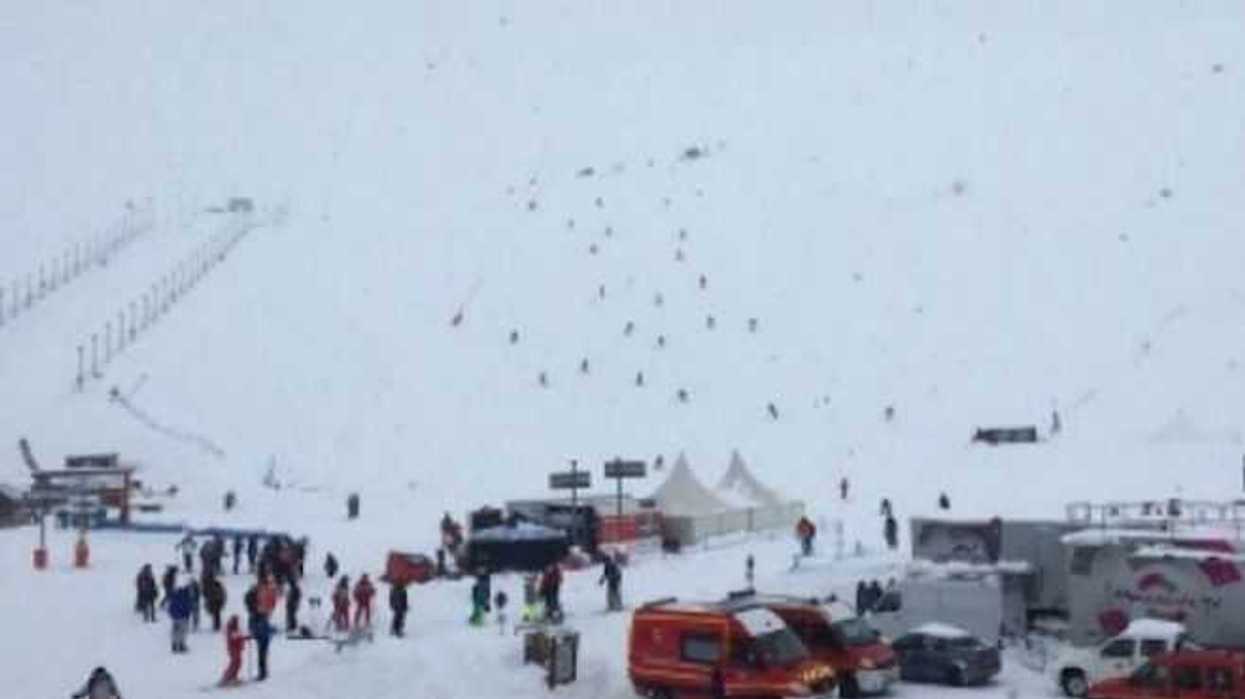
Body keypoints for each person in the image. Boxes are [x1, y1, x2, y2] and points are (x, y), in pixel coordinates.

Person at [245, 582, 273, 681]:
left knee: (262, 655)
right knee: (262, 655)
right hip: (262, 636)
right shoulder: (258, 613)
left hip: (262, 636)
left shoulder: (257, 615)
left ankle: (262, 673)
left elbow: (260, 627)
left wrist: (254, 632)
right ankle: (263, 672)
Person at [220, 615, 249, 686]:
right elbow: (235, 636)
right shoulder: (230, 629)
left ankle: (234, 677)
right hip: (233, 649)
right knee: (234, 663)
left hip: (238, 649)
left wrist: (246, 637)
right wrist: (243, 637)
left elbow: (239, 635)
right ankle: (227, 677)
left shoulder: (236, 629)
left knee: (238, 663)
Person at [169, 578, 193, 653]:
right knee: (183, 631)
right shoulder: (186, 597)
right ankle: (181, 645)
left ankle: (174, 645)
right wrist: (188, 614)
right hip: (183, 617)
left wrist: (172, 614)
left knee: (175, 631)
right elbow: (188, 607)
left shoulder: (175, 596)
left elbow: (171, 607)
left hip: (175, 617)